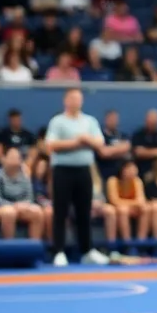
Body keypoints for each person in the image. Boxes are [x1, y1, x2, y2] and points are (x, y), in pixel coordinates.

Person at [44, 88, 110, 266]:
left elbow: (99, 143)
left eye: (79, 99)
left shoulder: (90, 121)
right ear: (65, 101)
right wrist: (76, 142)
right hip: (62, 171)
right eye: (72, 98)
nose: (76, 102)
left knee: (84, 212)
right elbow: (51, 145)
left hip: (83, 170)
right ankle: (58, 251)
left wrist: (85, 140)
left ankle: (87, 250)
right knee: (60, 212)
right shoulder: (57, 121)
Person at [0, 146, 45, 240]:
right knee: (9, 212)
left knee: (37, 211)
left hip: (21, 208)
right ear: (4, 159)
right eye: (11, 157)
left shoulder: (25, 176)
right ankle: (9, 249)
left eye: (16, 158)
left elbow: (29, 197)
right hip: (1, 208)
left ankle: (33, 248)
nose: (14, 160)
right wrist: (13, 205)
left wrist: (24, 205)